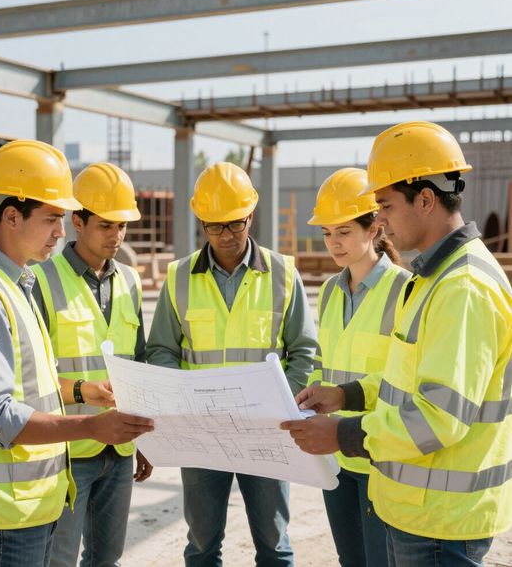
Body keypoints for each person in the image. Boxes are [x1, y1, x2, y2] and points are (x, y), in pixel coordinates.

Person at [282, 121, 512, 567]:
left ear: (425, 199)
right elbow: (403, 382)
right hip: (414, 508)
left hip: (442, 523)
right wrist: (346, 394)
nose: (380, 219)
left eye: (385, 204)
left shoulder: (462, 287)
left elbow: (438, 418)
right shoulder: (431, 280)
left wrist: (342, 433)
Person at [0, 140, 154, 567]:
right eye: (52, 218)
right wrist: (90, 427)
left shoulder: (14, 286)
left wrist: (84, 392)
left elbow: (34, 387)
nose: (61, 231)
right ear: (12, 216)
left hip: (22, 505)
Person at [146, 161, 318, 567]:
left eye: (235, 225)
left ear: (250, 216)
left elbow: (305, 351)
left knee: (274, 545)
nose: (226, 236)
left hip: (266, 432)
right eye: (214, 226)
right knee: (202, 546)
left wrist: (278, 407)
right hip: (201, 435)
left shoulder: (283, 274)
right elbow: (161, 350)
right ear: (201, 222)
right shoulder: (179, 277)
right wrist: (182, 401)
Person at [32, 162, 153, 567]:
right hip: (67, 450)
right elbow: (30, 374)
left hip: (119, 448)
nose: (117, 236)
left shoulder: (131, 282)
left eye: (122, 226)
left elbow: (139, 363)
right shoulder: (41, 281)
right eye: (106, 225)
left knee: (107, 559)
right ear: (78, 222)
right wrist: (82, 390)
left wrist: (146, 439)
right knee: (59, 560)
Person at [306, 167, 410, 567]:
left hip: (377, 453)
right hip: (335, 456)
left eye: (344, 231)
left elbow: (407, 378)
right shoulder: (331, 291)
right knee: (350, 559)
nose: (334, 243)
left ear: (374, 228)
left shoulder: (405, 290)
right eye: (328, 233)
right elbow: (323, 360)